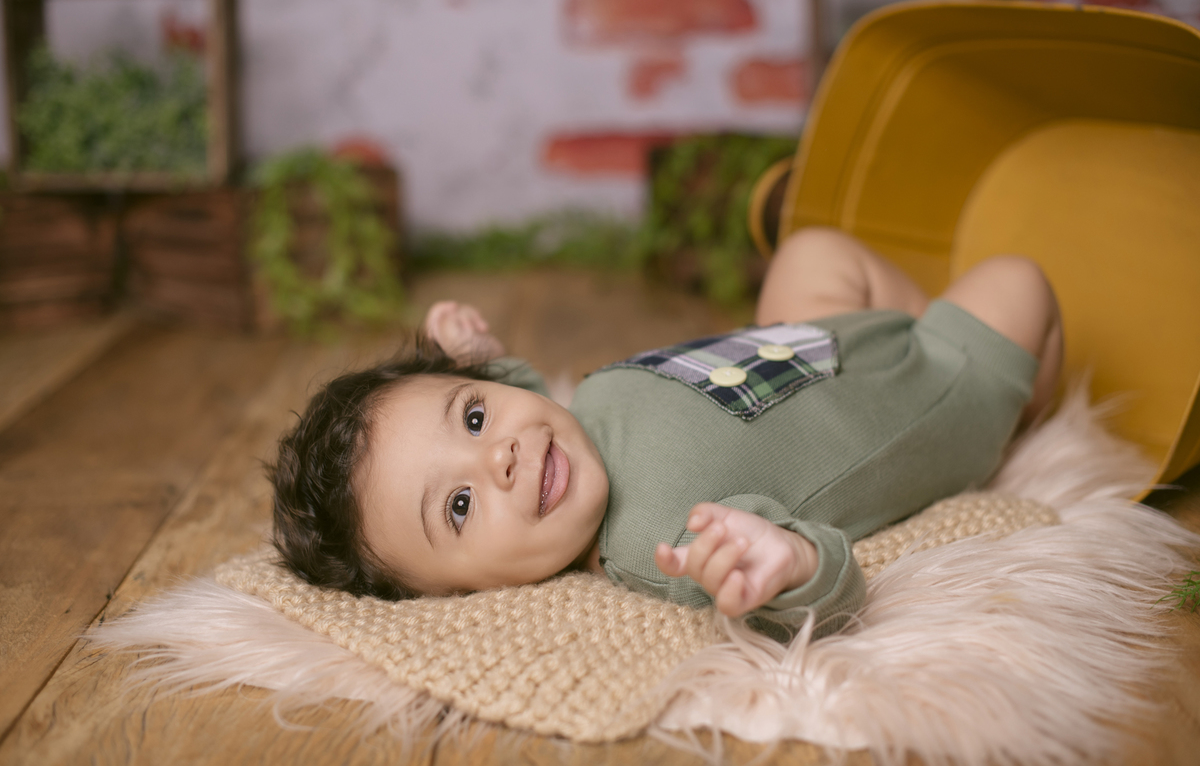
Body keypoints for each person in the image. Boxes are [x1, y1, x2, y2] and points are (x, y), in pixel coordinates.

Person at [270, 228, 1063, 638]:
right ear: (462, 597)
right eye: (459, 506)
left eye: (472, 415)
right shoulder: (666, 542)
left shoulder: (566, 426)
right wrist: (784, 566)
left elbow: (525, 402)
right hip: (918, 395)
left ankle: (915, 314)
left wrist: (479, 358)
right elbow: (830, 590)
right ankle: (1012, 399)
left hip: (804, 347)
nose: (500, 456)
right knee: (1019, 280)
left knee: (811, 252)